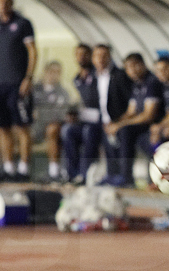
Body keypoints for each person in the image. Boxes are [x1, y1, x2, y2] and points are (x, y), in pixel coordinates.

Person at [0, 0, 37, 182]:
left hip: (17, 83)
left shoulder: (23, 24)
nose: (3, 5)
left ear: (11, 3)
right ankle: (8, 167)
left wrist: (28, 77)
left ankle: (24, 168)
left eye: (6, 1)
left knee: (21, 126)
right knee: (2, 127)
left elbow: (32, 51)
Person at [104, 53, 163, 187]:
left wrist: (121, 125)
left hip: (152, 125)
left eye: (134, 66)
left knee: (125, 131)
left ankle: (126, 177)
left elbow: (149, 115)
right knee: (109, 130)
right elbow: (131, 111)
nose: (131, 71)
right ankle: (113, 174)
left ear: (141, 65)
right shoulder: (137, 85)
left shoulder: (151, 82)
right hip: (140, 125)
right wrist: (114, 124)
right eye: (128, 68)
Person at [91, 44, 132, 186]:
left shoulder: (119, 75)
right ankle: (110, 175)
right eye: (97, 56)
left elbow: (129, 102)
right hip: (102, 119)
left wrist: (119, 121)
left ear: (109, 57)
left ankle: (124, 177)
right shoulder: (94, 77)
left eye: (104, 56)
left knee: (122, 137)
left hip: (118, 120)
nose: (101, 59)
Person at [62, 43, 99, 185]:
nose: (81, 57)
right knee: (67, 130)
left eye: (84, 54)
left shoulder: (97, 75)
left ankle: (85, 174)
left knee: (88, 132)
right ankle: (72, 173)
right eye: (78, 54)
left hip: (98, 121)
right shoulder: (76, 79)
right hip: (84, 119)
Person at [32, 60, 70, 183]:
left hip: (50, 127)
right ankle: (13, 170)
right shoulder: (34, 89)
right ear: (45, 72)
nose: (54, 75)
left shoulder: (62, 93)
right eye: (51, 71)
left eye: (58, 72)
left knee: (52, 129)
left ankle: (54, 172)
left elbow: (60, 114)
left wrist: (41, 113)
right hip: (33, 127)